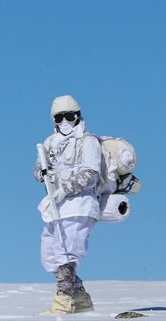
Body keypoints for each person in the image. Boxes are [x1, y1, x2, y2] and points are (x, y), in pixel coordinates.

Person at [33, 95, 101, 315]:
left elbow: (91, 173)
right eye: (59, 117)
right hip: (55, 205)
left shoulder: (87, 141)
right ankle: (80, 298)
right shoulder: (49, 143)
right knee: (49, 253)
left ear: (77, 116)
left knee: (66, 251)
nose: (65, 121)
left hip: (80, 204)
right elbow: (37, 167)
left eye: (69, 116)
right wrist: (44, 174)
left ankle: (63, 300)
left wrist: (66, 188)